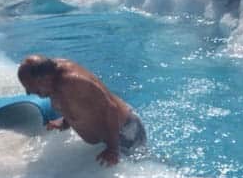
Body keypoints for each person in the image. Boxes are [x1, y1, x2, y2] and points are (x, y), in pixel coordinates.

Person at [17, 55, 146, 165]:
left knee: (141, 165)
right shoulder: (50, 77)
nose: (28, 93)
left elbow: (110, 108)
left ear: (43, 79)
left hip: (125, 133)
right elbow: (79, 103)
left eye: (29, 86)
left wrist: (113, 149)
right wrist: (65, 121)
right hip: (110, 138)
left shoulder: (73, 81)